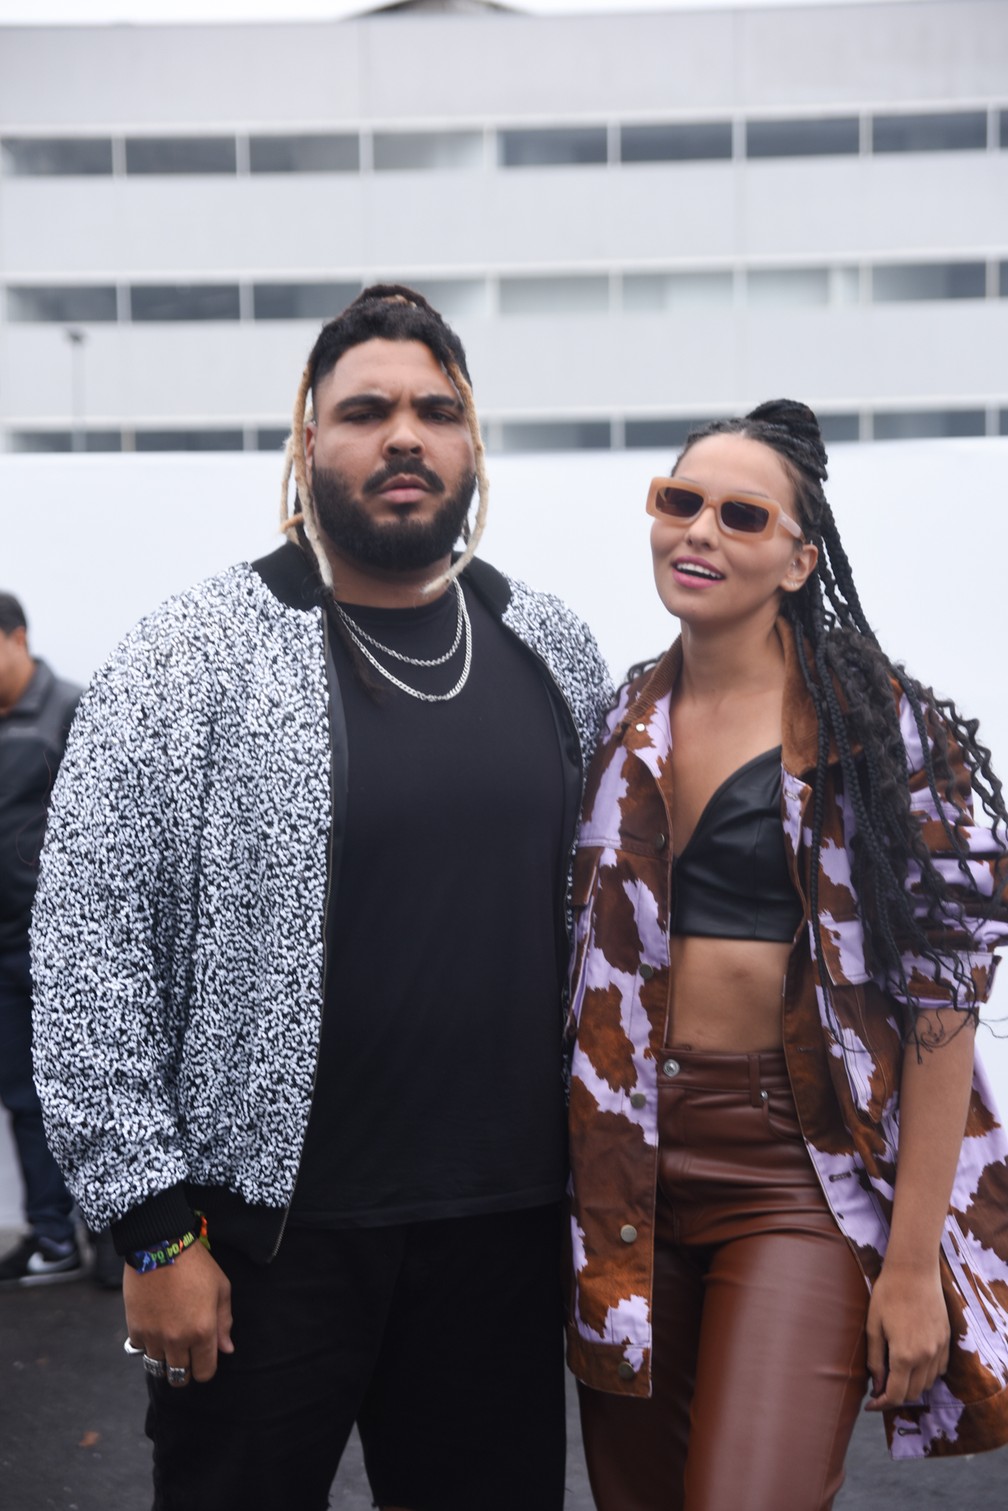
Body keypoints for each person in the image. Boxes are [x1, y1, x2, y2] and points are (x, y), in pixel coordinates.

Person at [30, 285, 613, 1511]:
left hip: (503, 1234)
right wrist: (151, 1229)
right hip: (260, 1244)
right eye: (366, 410)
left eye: (436, 409)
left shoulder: (551, 647)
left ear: (471, 444)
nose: (404, 435)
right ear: (308, 441)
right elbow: (90, 951)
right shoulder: (191, 655)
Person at [565, 400, 1008, 1511]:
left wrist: (912, 1267)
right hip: (625, 1165)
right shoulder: (618, 720)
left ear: (800, 559)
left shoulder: (882, 730)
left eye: (741, 513)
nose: (699, 531)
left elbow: (942, 1007)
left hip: (795, 1169)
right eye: (681, 502)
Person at [0, 593, 84, 1287]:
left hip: (66, 948)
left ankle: (119, 1245)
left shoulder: (73, 711)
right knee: (23, 1099)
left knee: (90, 1090)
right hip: (2, 955)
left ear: (17, 636)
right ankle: (52, 1239)